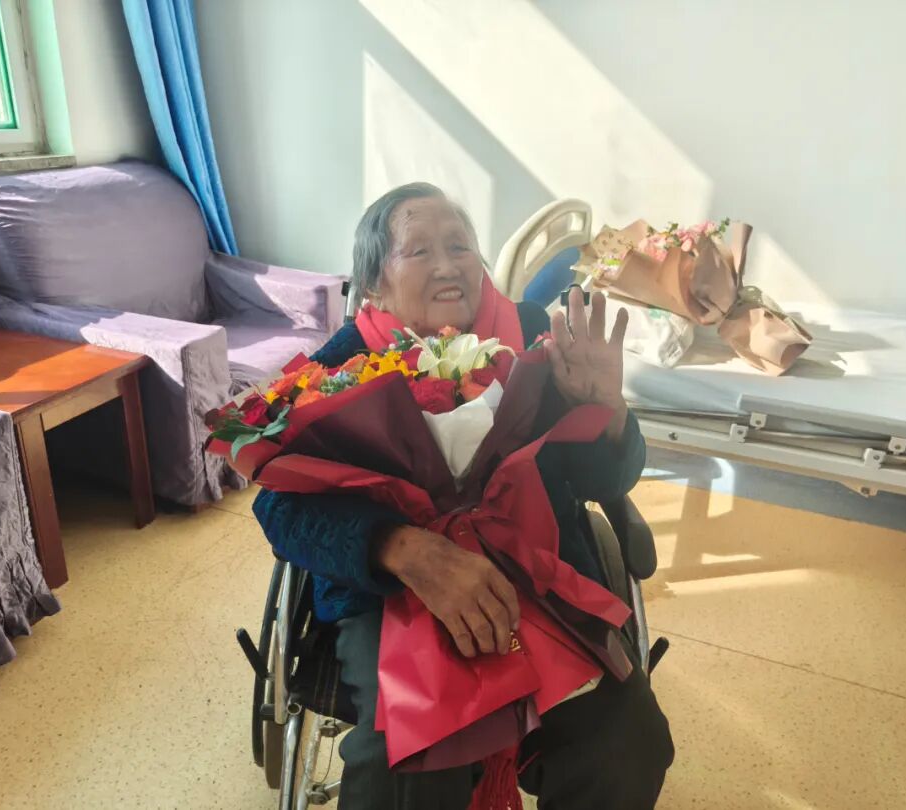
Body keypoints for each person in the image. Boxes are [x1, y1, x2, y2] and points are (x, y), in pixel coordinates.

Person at [254, 183, 674, 808]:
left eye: (460, 247)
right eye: (419, 251)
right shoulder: (340, 367)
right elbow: (280, 505)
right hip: (394, 593)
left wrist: (607, 413)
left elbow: (603, 482)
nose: (448, 265)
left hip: (538, 571)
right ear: (374, 285)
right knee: (411, 761)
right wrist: (399, 548)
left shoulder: (537, 338)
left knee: (625, 739)